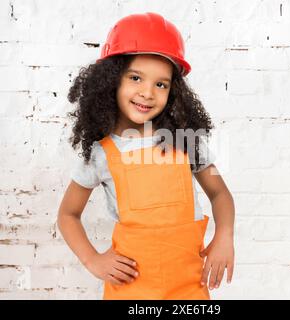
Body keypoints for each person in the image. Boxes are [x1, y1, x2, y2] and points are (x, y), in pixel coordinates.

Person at [57, 12, 235, 300]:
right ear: (111, 80)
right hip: (130, 291)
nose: (147, 93)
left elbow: (220, 194)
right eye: (136, 78)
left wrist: (224, 235)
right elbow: (68, 214)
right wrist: (93, 260)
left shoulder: (185, 141)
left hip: (188, 291)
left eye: (161, 84)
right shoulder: (101, 153)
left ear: (174, 91)